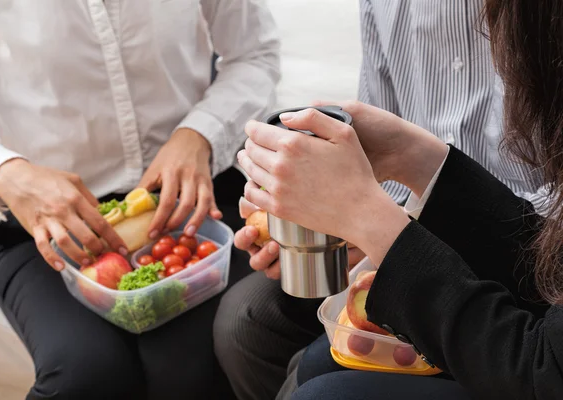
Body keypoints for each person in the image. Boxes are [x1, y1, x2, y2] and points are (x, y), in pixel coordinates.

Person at [213, 1, 546, 398]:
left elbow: (542, 360)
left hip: (523, 268)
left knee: (317, 383)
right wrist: (403, 168)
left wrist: (377, 226)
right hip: (450, 228)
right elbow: (376, 163)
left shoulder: (536, 19)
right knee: (246, 319)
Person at [0, 1, 280, 399]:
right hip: (48, 227)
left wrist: (200, 133)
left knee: (189, 368)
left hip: (198, 204)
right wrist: (6, 173)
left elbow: (255, 54)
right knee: (84, 379)